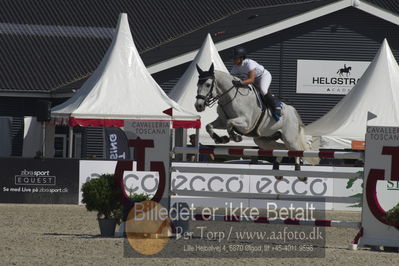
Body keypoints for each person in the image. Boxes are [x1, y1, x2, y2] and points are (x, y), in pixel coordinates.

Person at [230, 46, 281, 121]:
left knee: (263, 90)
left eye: (235, 58)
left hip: (263, 76)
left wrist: (240, 82)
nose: (233, 60)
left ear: (241, 58)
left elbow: (251, 80)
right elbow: (229, 76)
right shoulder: (235, 67)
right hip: (253, 80)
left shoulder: (249, 63)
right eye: (233, 58)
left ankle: (276, 106)